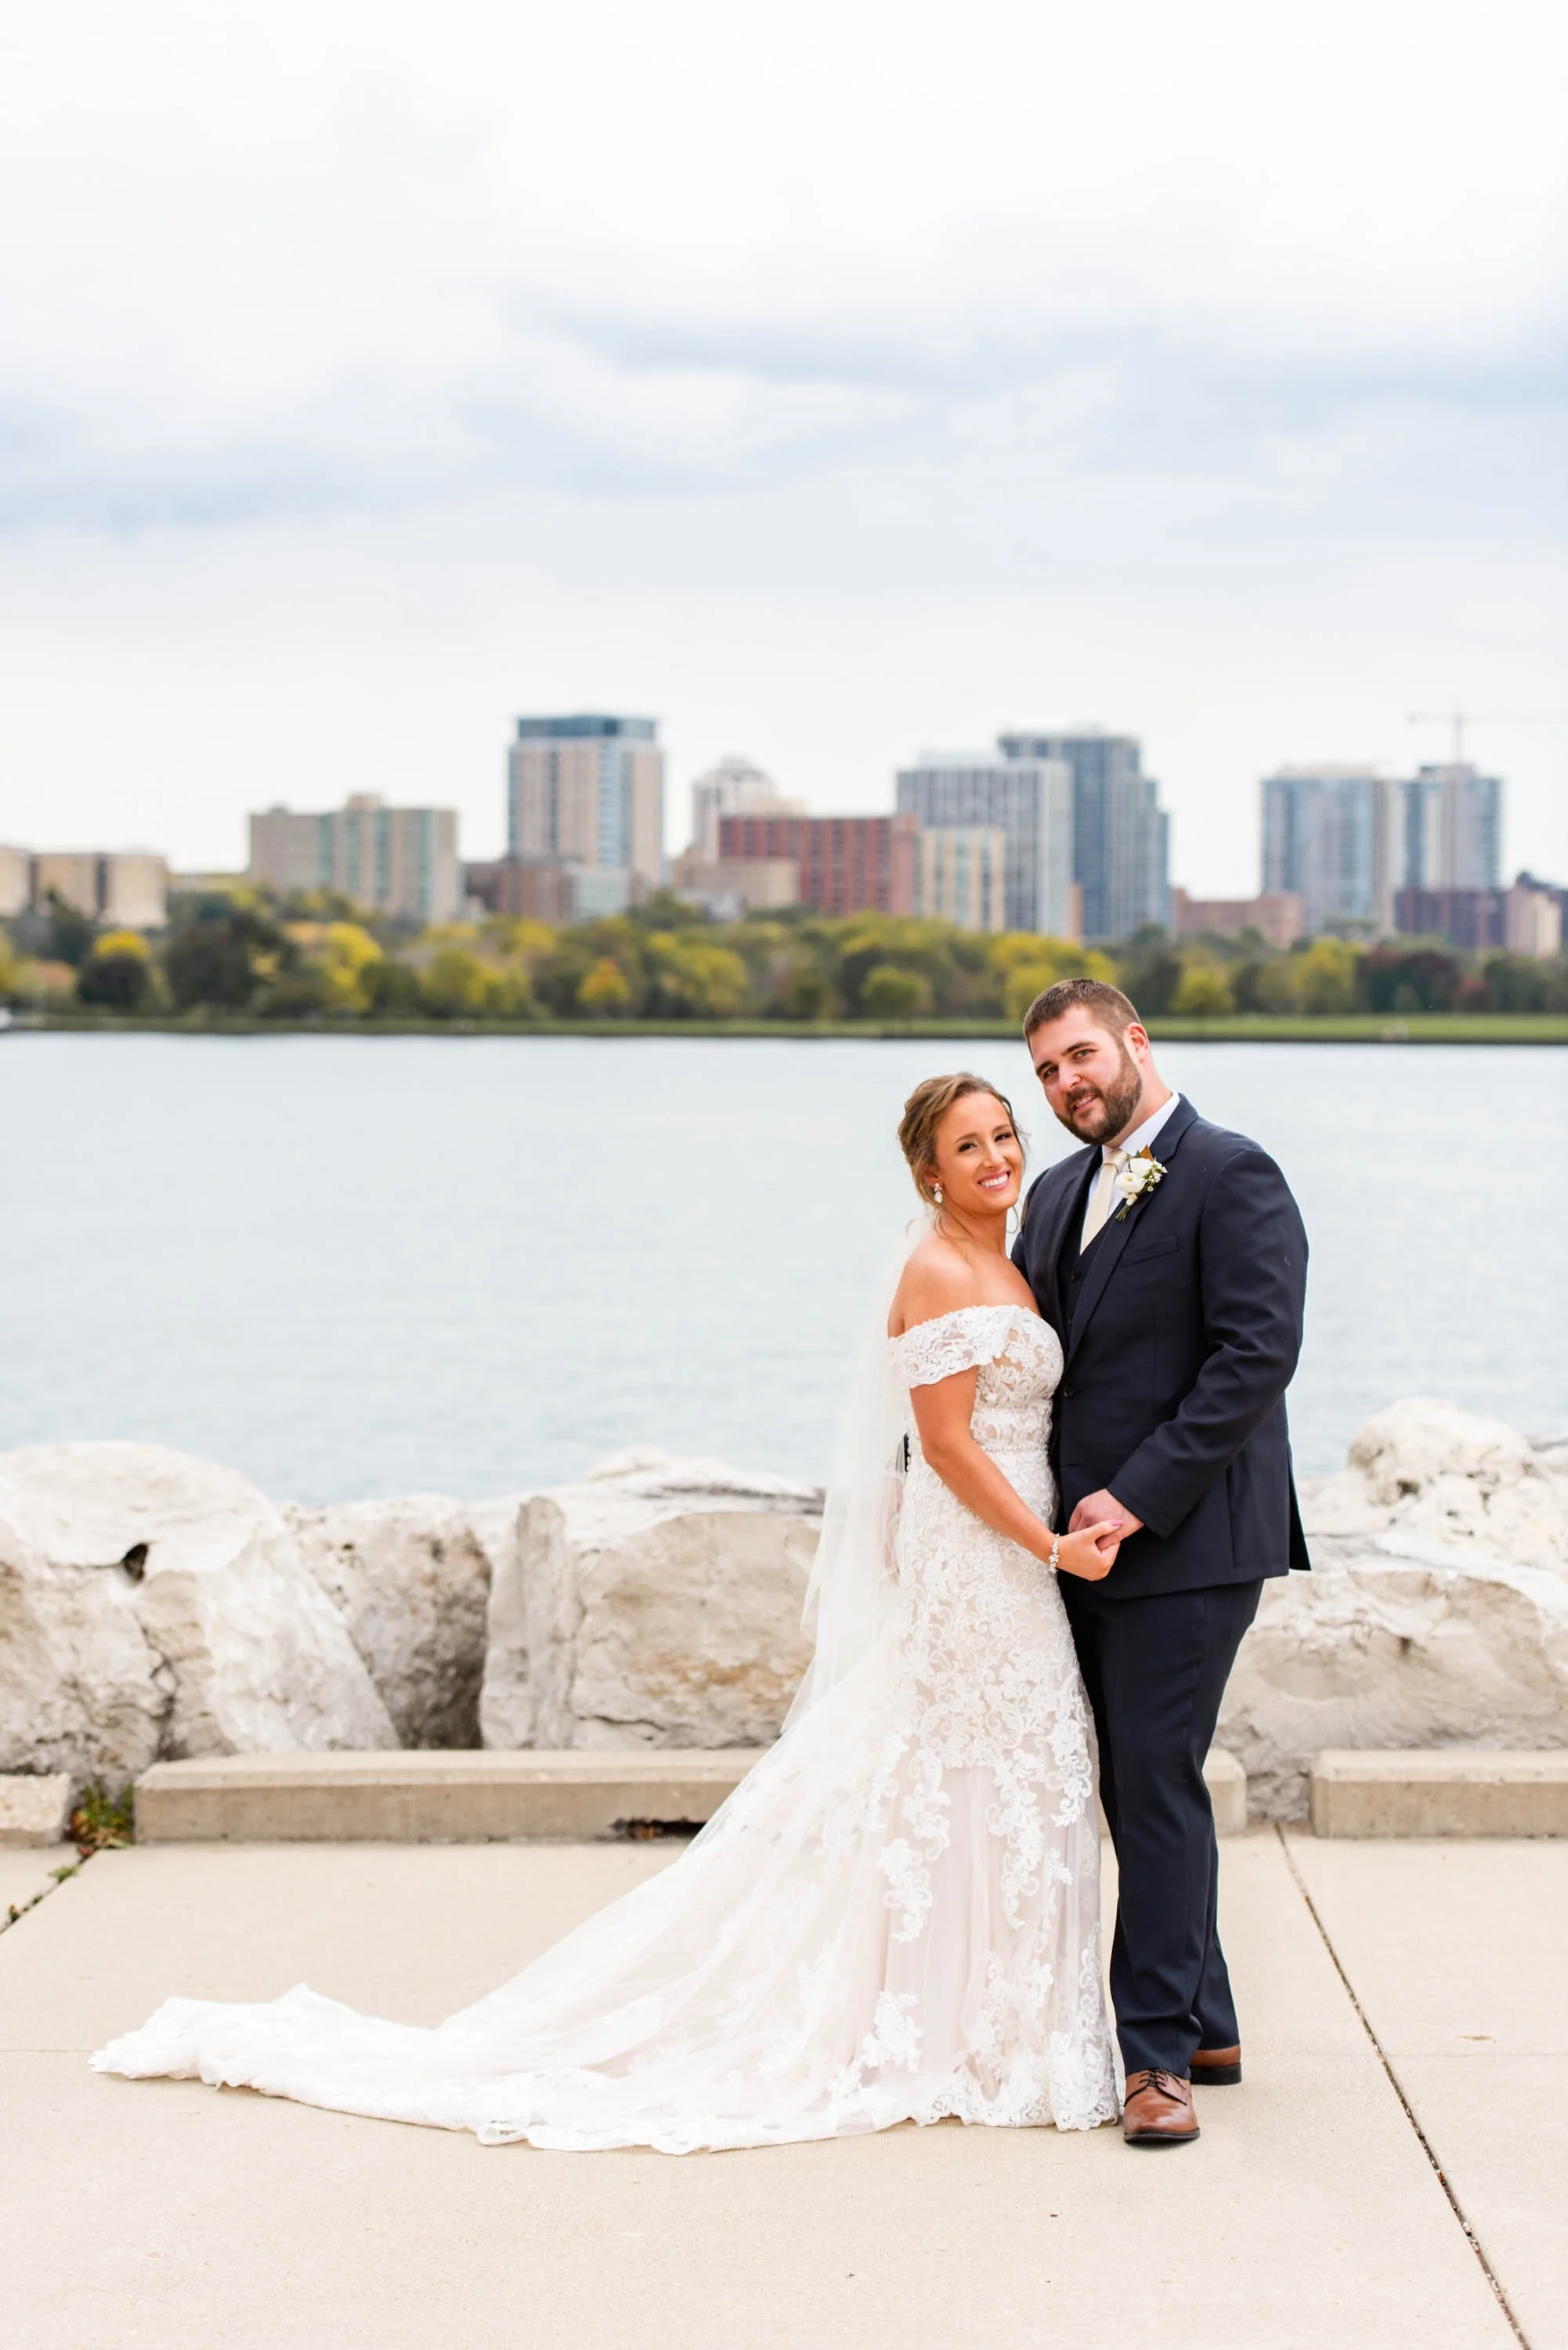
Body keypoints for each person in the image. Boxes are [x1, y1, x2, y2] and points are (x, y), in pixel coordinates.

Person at [95, 1074, 1125, 2153]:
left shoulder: (1007, 1256)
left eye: (1004, 1134)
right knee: (987, 1766)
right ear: (928, 1171)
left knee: (1003, 1772)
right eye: (970, 1145)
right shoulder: (933, 1265)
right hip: (984, 1557)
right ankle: (969, 2031)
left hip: (1000, 1553)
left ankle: (995, 2027)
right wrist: (1049, 1545)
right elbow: (950, 1446)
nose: (997, 1156)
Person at [1013, 978, 1309, 2147]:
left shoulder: (1230, 1173)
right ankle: (1209, 2020)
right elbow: (1025, 1359)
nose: (1064, 1083)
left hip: (1187, 1541)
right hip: (1072, 1554)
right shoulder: (1051, 1194)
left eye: (1079, 1055)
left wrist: (1133, 1498)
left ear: (1134, 1042)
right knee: (1133, 1781)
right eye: (1043, 1070)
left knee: (1154, 1778)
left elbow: (1254, 1356)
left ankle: (1152, 2064)